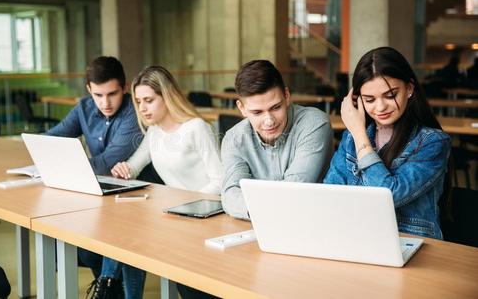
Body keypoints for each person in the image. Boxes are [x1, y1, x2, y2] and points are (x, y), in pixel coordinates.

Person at [88, 65, 223, 299]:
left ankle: (107, 286)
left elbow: (221, 181)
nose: (142, 108)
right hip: (177, 217)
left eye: (149, 100)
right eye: (139, 101)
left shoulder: (196, 129)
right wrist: (124, 169)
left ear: (167, 97)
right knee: (125, 230)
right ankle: (109, 286)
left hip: (205, 215)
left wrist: (184, 205)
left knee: (131, 232)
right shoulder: (155, 131)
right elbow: (134, 165)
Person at [324, 46, 451, 239]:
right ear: (357, 100)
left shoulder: (432, 142)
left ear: (409, 88)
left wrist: (359, 133)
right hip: (358, 238)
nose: (380, 107)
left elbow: (389, 195)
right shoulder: (351, 138)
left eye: (390, 95)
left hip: (412, 244)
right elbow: (330, 194)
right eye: (370, 99)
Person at [46, 56, 143, 279]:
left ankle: (110, 286)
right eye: (98, 95)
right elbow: (55, 136)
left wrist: (62, 166)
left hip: (130, 197)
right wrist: (37, 145)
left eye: (112, 94)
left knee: (91, 247)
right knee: (71, 241)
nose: (105, 102)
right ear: (89, 89)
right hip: (96, 192)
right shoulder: (84, 107)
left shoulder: (133, 112)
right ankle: (107, 285)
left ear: (125, 88)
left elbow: (106, 162)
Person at [221, 59, 333, 220]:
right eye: (257, 113)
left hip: (312, 222)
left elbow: (292, 191)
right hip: (259, 228)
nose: (269, 121)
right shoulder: (234, 138)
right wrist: (267, 209)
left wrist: (254, 205)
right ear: (242, 108)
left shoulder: (314, 123)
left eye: (276, 107)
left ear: (287, 96)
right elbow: (230, 195)